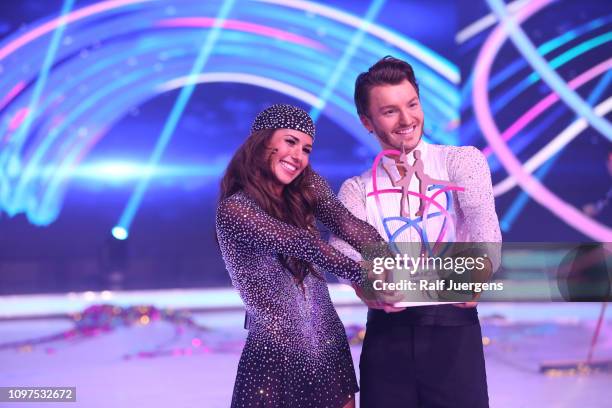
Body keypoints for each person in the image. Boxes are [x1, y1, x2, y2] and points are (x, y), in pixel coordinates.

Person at [330, 56, 502, 407]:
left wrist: (480, 270)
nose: (407, 120)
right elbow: (343, 253)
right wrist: (367, 285)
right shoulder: (356, 189)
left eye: (412, 104)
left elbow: (486, 234)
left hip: (454, 335)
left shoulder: (461, 161)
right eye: (390, 111)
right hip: (386, 341)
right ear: (367, 122)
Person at [215, 104, 391, 408]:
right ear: (263, 140)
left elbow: (348, 225)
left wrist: (393, 261)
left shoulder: (308, 185)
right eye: (290, 141)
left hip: (328, 345)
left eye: (307, 148)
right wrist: (364, 273)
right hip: (274, 353)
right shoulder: (235, 209)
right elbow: (303, 244)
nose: (298, 156)